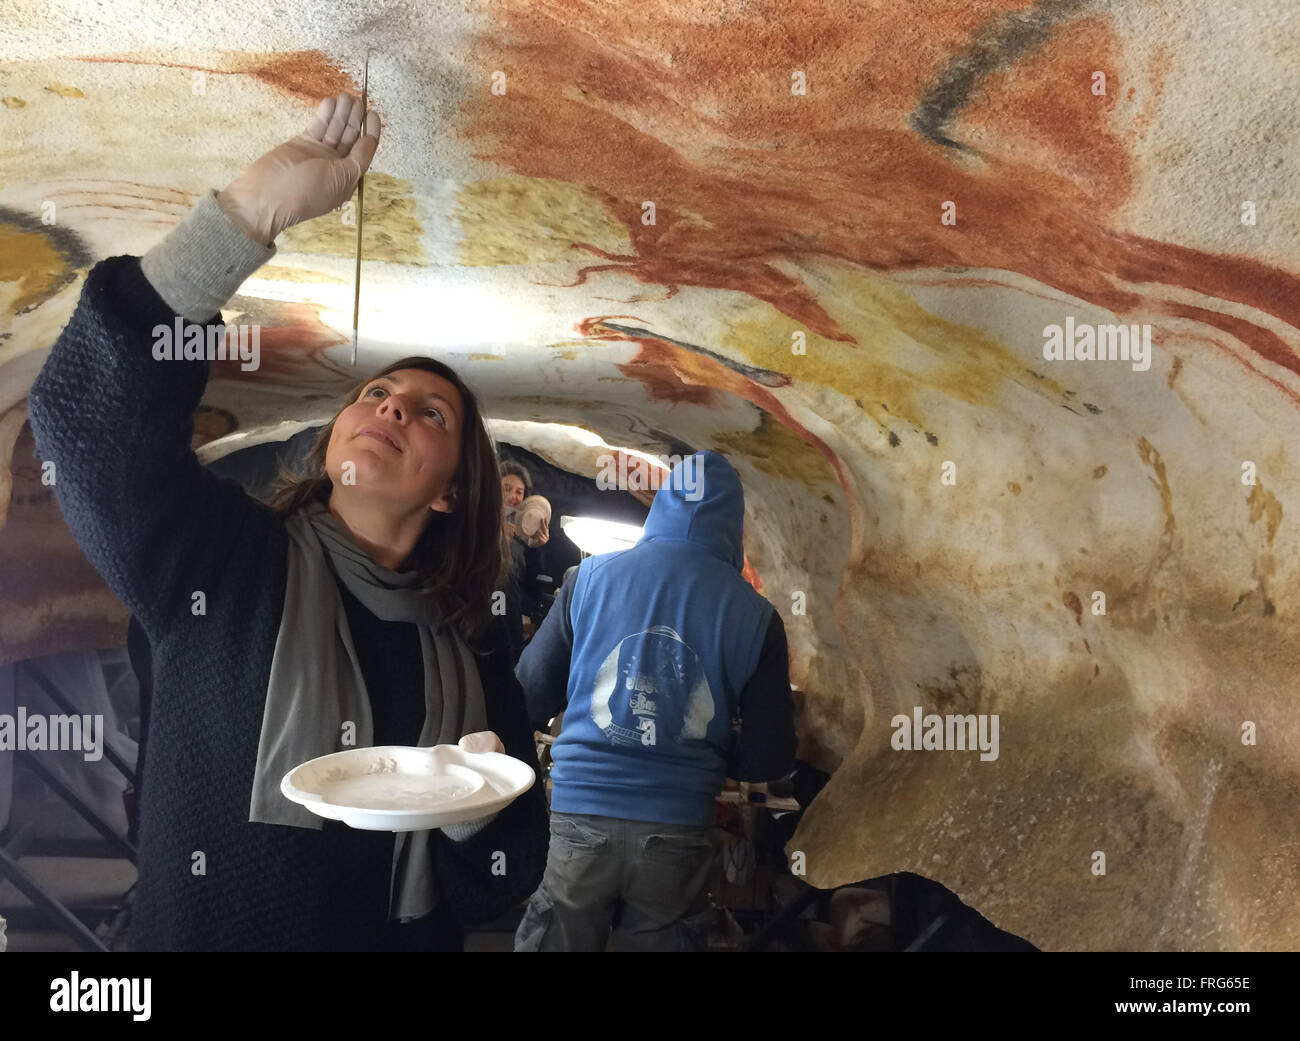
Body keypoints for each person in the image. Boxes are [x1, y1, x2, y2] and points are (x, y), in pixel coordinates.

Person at [27, 93, 548, 951]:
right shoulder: (226, 563)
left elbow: (502, 879)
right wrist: (248, 212)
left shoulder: (473, 639)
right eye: (375, 394)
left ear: (450, 491)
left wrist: (477, 811)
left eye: (431, 413)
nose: (390, 406)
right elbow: (84, 427)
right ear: (337, 433)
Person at [513, 451, 797, 951]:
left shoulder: (589, 578)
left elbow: (532, 693)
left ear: (662, 503)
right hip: (679, 826)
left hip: (581, 814)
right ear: (734, 520)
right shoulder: (757, 615)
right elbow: (767, 758)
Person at [500, 461, 550, 663]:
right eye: (507, 489)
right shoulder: (479, 518)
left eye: (519, 492)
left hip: (513, 602)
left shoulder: (524, 528)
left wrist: (535, 548)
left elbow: (532, 580)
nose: (514, 497)